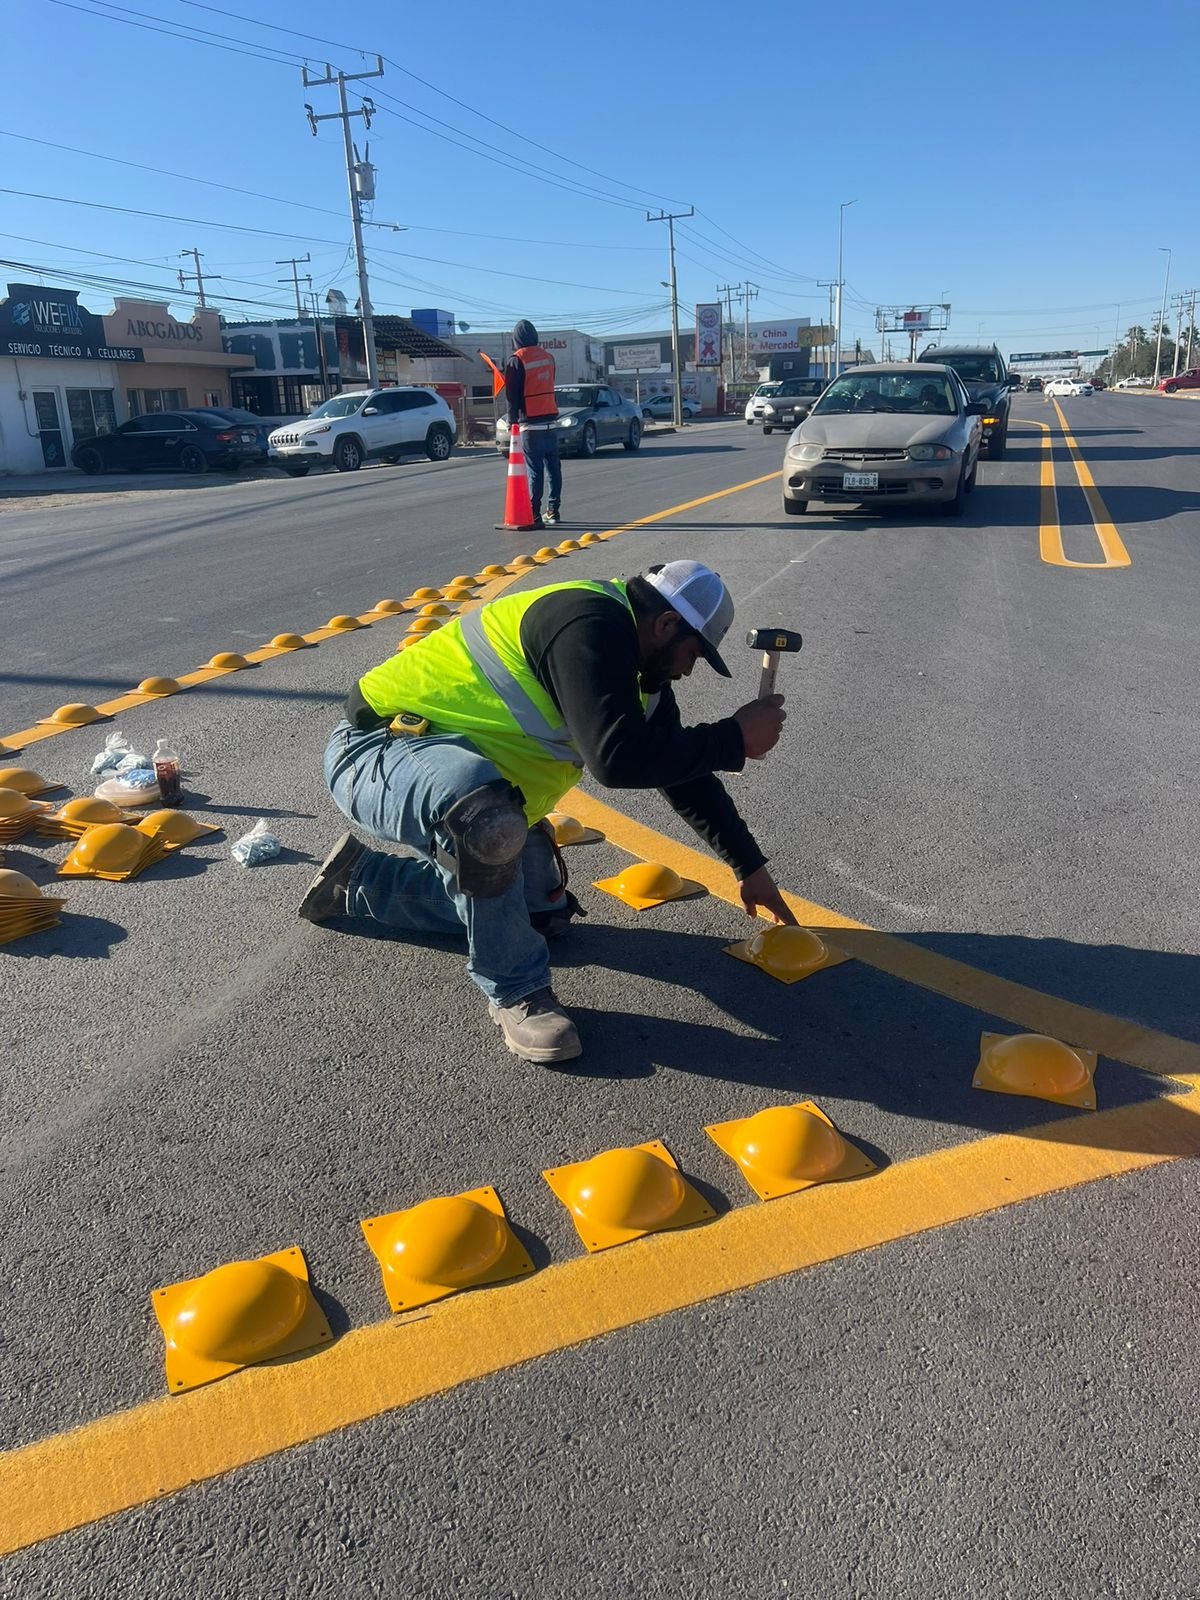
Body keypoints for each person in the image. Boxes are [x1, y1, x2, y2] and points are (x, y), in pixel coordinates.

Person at [300, 560, 794, 1066]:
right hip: (378, 754)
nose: (688, 669)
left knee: (538, 913)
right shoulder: (587, 623)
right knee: (489, 824)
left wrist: (748, 867)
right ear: (667, 626)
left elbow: (678, 771)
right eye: (694, 653)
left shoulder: (639, 672)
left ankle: (358, 881)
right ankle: (516, 992)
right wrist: (733, 739)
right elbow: (617, 759)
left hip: (469, 783)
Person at [505, 318, 561, 528]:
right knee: (553, 468)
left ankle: (534, 514)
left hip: (531, 424)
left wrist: (512, 421)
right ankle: (554, 510)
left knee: (535, 471)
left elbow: (513, 395)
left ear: (516, 338)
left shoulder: (516, 360)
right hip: (551, 420)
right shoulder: (548, 357)